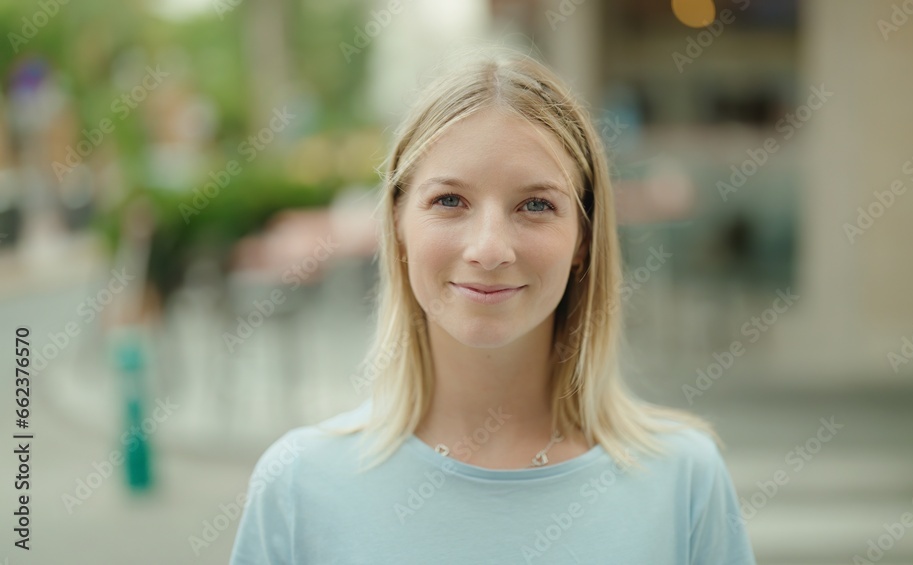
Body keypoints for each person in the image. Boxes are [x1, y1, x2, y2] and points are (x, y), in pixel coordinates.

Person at [229, 48, 756, 565]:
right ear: (397, 223)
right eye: (449, 201)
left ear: (583, 239)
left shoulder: (683, 482)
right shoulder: (299, 487)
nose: (488, 249)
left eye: (535, 205)